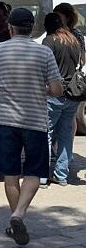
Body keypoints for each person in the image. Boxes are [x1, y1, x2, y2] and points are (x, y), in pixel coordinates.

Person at [0, 8, 63, 246]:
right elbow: (57, 89)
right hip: (35, 120)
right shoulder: (44, 52)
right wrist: (42, 89)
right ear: (32, 28)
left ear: (10, 27)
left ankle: (15, 219)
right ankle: (18, 215)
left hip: (6, 120)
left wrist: (2, 93)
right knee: (34, 173)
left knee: (10, 174)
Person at [42, 13, 81, 186]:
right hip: (73, 94)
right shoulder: (73, 40)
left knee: (46, 134)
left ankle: (42, 176)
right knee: (66, 135)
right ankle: (61, 174)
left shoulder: (49, 41)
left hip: (53, 93)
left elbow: (44, 68)